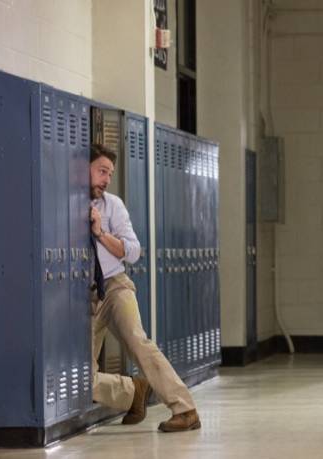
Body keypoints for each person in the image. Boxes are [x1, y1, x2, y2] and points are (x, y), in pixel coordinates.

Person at [88, 143, 201, 432]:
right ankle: (133, 391)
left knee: (139, 342)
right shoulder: (63, 203)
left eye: (110, 174)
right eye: (102, 171)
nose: (106, 179)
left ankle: (185, 409)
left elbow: (134, 251)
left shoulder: (112, 205)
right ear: (83, 168)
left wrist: (100, 233)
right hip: (82, 296)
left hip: (114, 286)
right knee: (80, 378)